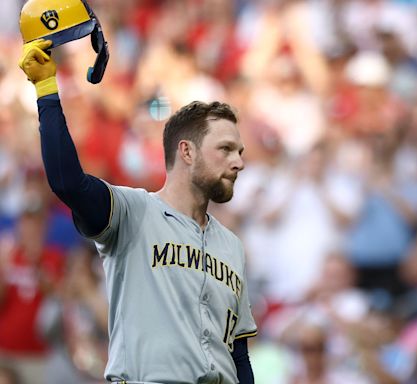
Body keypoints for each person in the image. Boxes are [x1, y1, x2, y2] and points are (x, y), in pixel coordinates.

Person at [18, 39, 257, 384]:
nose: (239, 162)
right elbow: (67, 182)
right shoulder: (133, 212)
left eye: (240, 151)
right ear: (186, 152)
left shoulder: (232, 245)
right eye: (226, 149)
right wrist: (46, 89)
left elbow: (238, 354)